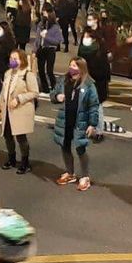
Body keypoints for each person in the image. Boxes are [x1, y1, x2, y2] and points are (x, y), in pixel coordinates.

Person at [52, 57, 100, 191]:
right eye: (70, 65)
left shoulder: (89, 84)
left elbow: (94, 106)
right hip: (65, 119)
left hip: (80, 122)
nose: (71, 68)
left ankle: (85, 176)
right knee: (65, 145)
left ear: (81, 68)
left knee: (80, 148)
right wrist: (57, 97)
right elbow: (53, 94)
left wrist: (92, 124)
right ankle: (70, 173)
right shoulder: (63, 80)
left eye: (74, 66)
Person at [0, 50, 39, 174]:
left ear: (22, 60)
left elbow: (35, 92)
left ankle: (25, 162)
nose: (12, 61)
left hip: (20, 110)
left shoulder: (27, 74)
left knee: (21, 137)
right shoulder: (8, 73)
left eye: (15, 59)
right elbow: (3, 92)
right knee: (7, 135)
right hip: (7, 110)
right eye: (11, 58)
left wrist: (19, 99)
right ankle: (11, 159)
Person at [34, 4, 62, 95]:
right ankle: (45, 88)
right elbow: (37, 38)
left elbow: (58, 41)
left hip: (50, 49)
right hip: (41, 49)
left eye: (45, 13)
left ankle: (54, 88)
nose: (44, 15)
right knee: (41, 70)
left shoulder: (55, 26)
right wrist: (35, 49)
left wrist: (46, 37)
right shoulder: (40, 24)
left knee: (49, 70)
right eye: (43, 13)